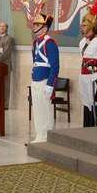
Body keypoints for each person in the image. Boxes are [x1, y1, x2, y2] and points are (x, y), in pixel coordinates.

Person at [30, 12, 59, 143]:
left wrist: (50, 85)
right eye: (35, 24)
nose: (34, 27)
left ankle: (46, 136)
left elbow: (55, 66)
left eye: (37, 25)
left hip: (45, 81)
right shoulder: (35, 42)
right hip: (36, 79)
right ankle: (39, 134)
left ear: (45, 28)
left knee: (45, 110)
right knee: (37, 110)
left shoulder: (50, 43)